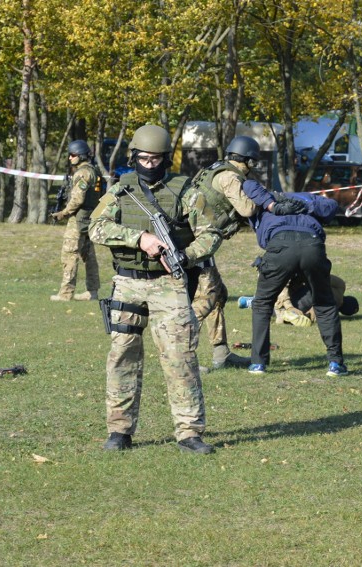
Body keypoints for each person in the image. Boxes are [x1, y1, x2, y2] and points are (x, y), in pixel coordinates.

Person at [89, 124, 220, 455]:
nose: (149, 164)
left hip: (170, 284)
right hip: (128, 283)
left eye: (156, 159)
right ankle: (119, 431)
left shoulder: (186, 191)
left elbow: (211, 233)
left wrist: (186, 256)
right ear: (134, 156)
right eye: (144, 158)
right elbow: (96, 228)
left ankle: (189, 433)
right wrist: (140, 239)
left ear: (166, 158)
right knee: (122, 355)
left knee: (180, 357)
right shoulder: (120, 191)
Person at [239, 181, 348, 377]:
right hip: (312, 244)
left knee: (262, 303)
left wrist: (286, 204)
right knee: (324, 303)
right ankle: (335, 363)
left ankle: (258, 363)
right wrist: (304, 205)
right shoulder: (302, 196)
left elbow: (246, 183)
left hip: (279, 245)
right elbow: (331, 207)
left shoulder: (262, 199)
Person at [184, 136, 269, 371]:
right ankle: (183, 357)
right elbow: (247, 208)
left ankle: (221, 353)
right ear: (247, 160)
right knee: (207, 299)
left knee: (219, 294)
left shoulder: (214, 169)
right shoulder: (230, 176)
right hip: (200, 241)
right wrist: (263, 198)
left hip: (197, 237)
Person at [49, 140, 101, 301]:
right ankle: (92, 292)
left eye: (73, 155)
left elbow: (77, 199)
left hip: (78, 219)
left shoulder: (82, 173)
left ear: (81, 156)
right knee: (89, 255)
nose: (70, 158)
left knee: (69, 255)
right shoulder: (93, 170)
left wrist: (63, 213)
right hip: (89, 217)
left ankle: (65, 294)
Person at [268, 273, 358, 327]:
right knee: (272, 310)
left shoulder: (340, 286)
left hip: (300, 294)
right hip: (299, 308)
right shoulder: (330, 313)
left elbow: (319, 277)